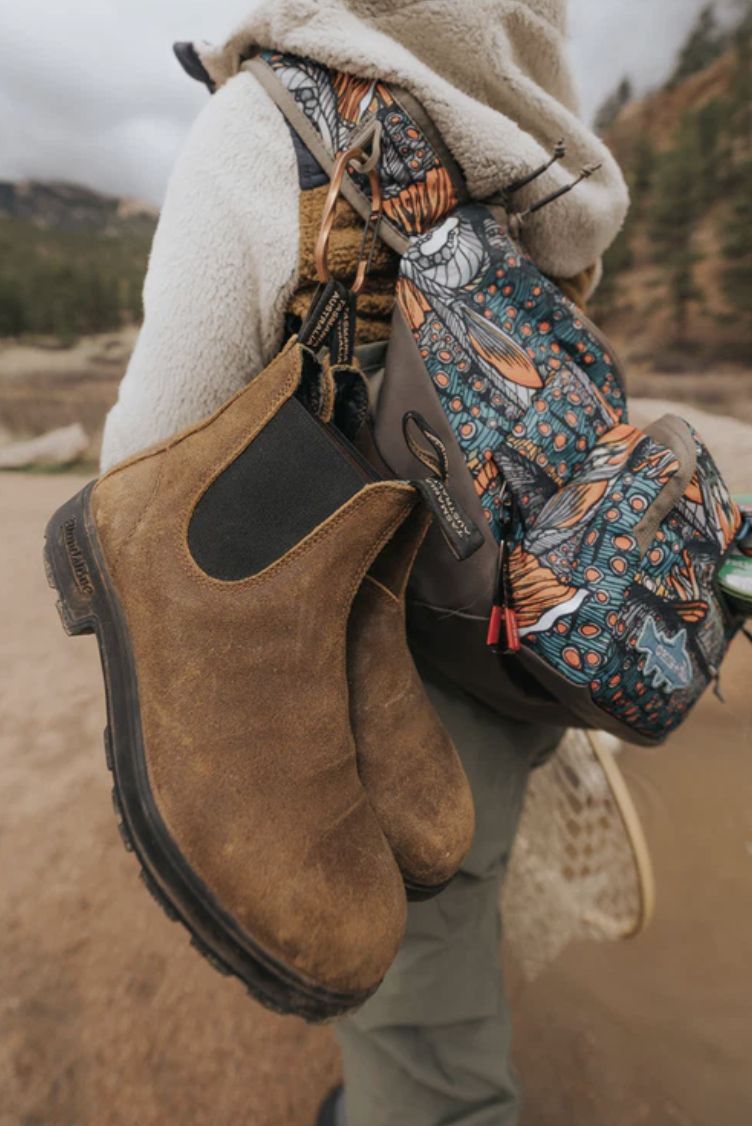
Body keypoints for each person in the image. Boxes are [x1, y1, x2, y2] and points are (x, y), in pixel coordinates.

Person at [101, 3, 629, 1123]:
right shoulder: (553, 160)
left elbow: (149, 458)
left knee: (424, 1047)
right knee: (451, 912)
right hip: (521, 648)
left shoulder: (276, 126)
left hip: (360, 676)